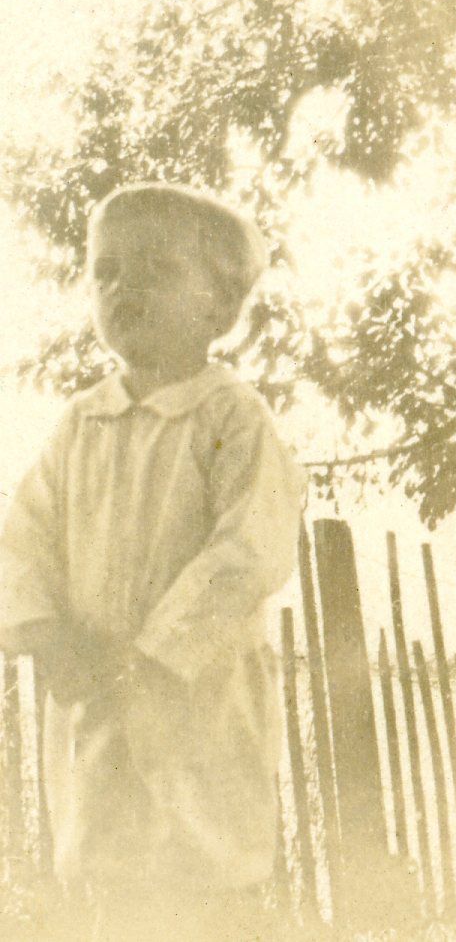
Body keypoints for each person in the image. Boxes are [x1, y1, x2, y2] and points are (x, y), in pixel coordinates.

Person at [0, 183, 306, 941]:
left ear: (218, 305)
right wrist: (47, 635)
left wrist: (159, 654)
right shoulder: (82, 425)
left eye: (155, 268)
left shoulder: (231, 417)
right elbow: (22, 539)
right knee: (110, 869)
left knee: (200, 867)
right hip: (94, 684)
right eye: (105, 272)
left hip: (195, 690)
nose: (122, 288)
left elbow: (248, 547)